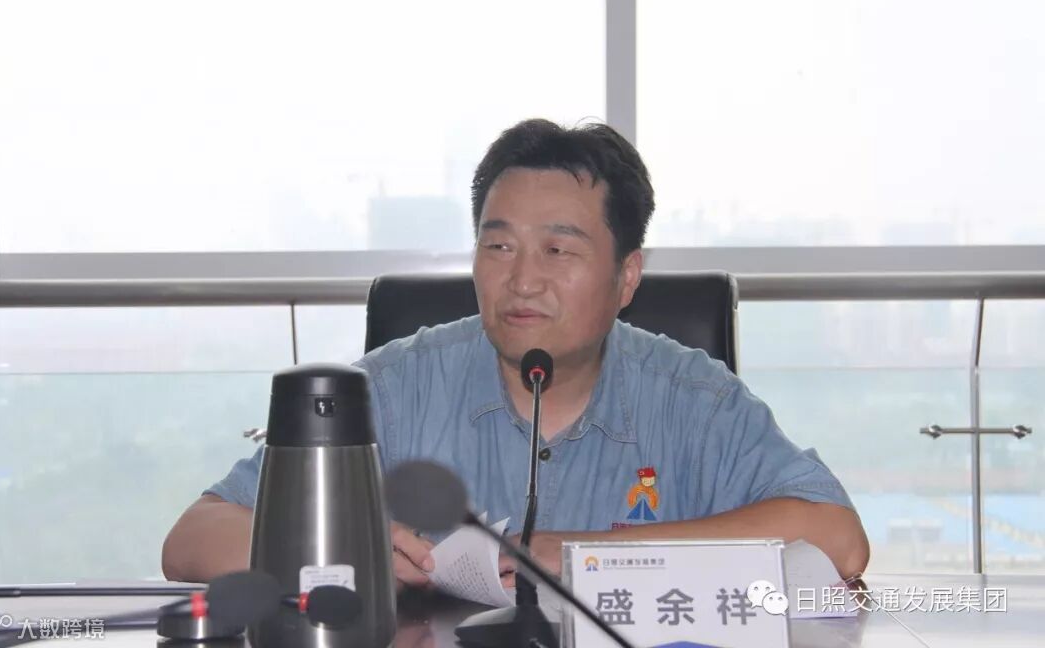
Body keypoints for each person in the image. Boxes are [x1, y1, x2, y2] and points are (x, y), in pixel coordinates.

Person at [162, 119, 869, 588]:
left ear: (626, 277)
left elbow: (837, 540)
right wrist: (344, 546)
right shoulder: (395, 387)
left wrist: (585, 556)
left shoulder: (692, 396)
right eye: (498, 245)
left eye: (558, 250)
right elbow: (194, 537)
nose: (522, 280)